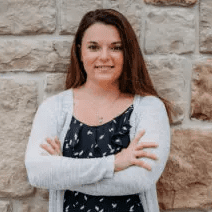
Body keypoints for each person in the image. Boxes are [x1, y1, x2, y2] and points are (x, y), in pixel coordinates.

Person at [25, 9, 171, 212]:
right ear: (80, 51)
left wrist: (62, 172)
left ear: (127, 52)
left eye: (116, 48)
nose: (104, 57)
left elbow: (139, 179)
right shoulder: (54, 108)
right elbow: (37, 172)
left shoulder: (149, 107)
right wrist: (114, 163)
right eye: (93, 47)